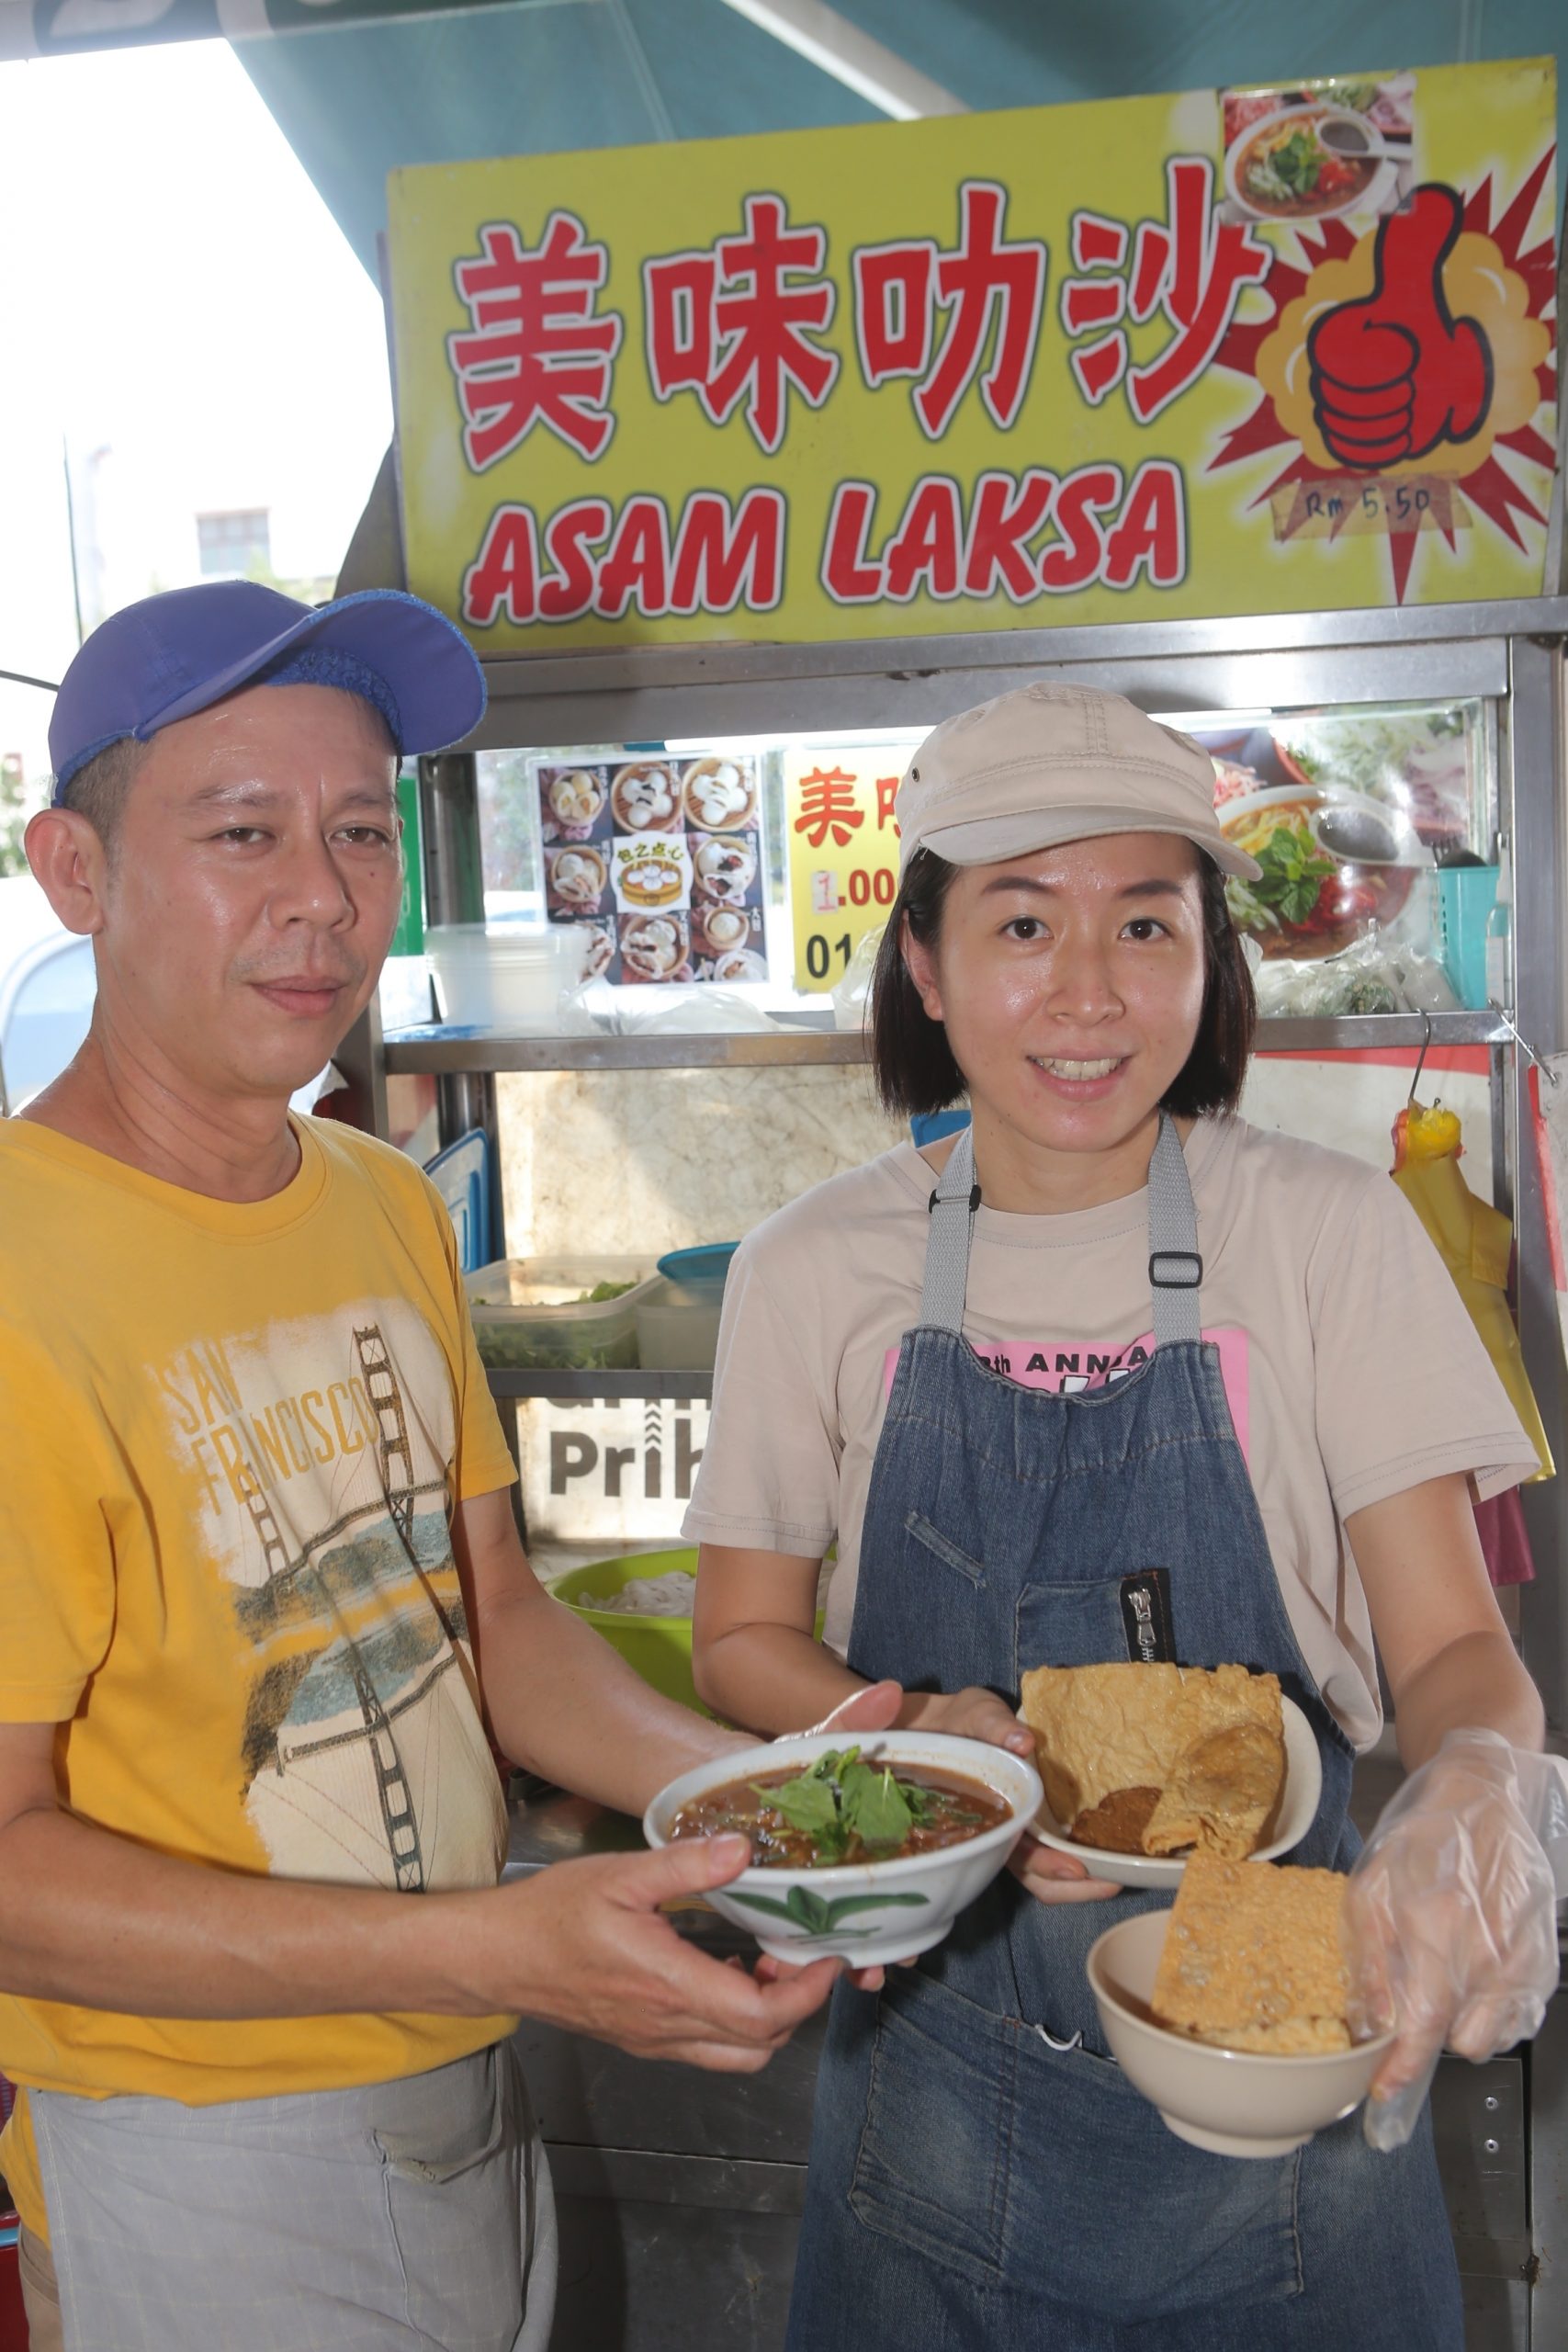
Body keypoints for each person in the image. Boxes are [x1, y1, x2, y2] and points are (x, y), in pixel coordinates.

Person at [0, 581, 882, 2352]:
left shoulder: (382, 1200)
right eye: (242, 832)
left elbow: (491, 1620)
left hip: (463, 2070)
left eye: (358, 830)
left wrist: (761, 1806)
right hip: (203, 2135)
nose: (324, 897)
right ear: (75, 873)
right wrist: (498, 1943)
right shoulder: (24, 1275)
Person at [685, 682, 1562, 2349]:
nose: (1088, 992)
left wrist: (1475, 1781)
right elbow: (737, 1639)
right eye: (1023, 923)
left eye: (1146, 924)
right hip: (929, 2091)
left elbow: (1456, 1647)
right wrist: (921, 1737)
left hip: (1289, 2089)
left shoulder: (1329, 1235)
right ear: (925, 962)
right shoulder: (813, 1266)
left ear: (1209, 958)